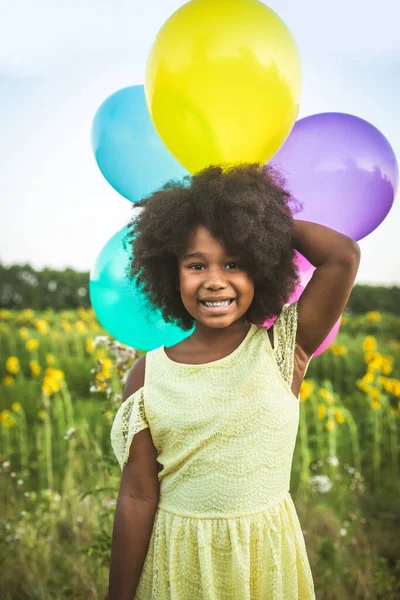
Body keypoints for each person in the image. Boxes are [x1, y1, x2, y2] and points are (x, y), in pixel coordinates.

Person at [108, 163, 360, 600]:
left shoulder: (285, 348)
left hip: (264, 562)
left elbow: (343, 256)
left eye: (234, 263)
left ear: (260, 268)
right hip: (180, 565)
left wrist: (258, 219)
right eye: (195, 265)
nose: (215, 280)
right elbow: (136, 498)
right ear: (172, 274)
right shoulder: (147, 375)